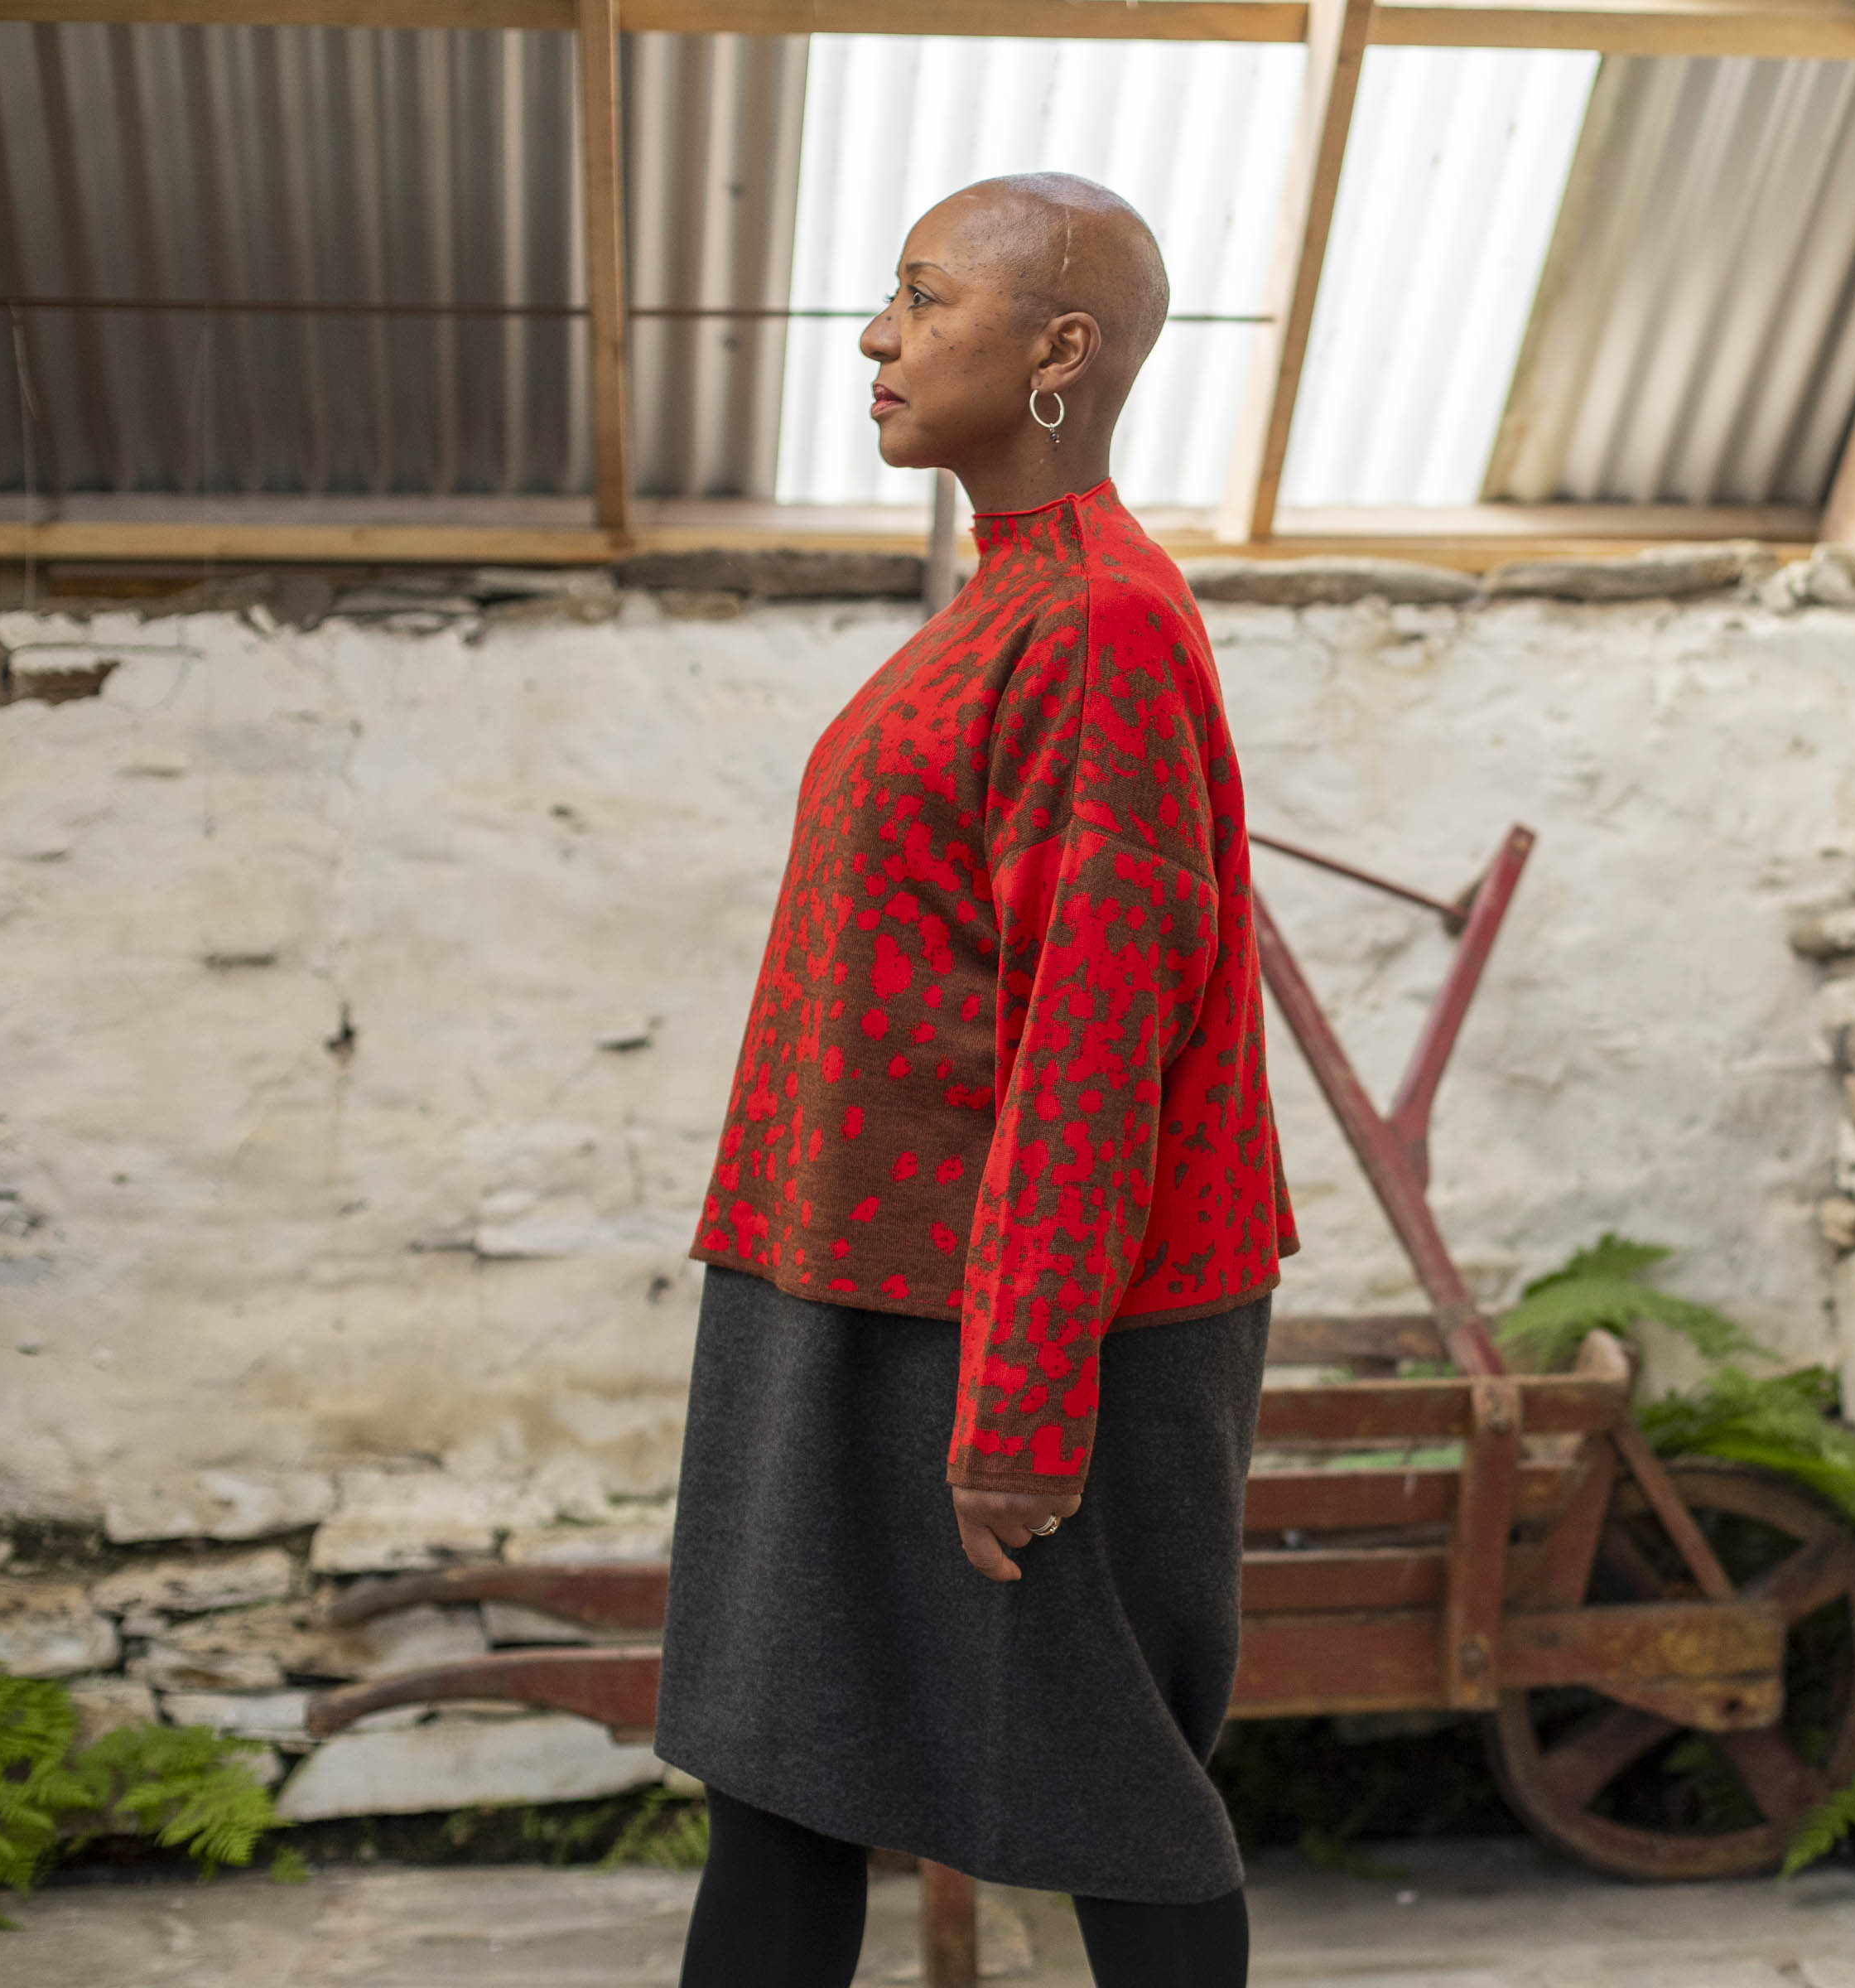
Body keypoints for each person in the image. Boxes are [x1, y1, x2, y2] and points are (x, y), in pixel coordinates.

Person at [654, 171, 1295, 1988]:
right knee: (774, 1786)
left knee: (1114, 1808)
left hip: (1018, 1331)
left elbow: (1097, 1048)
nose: (875, 336)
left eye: (924, 300)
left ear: (1058, 353)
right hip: (845, 1290)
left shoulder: (1100, 627)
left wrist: (1019, 1417)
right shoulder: (1004, 604)